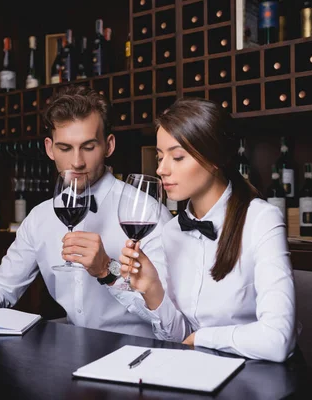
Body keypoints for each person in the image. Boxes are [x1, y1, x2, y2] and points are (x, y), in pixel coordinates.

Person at [0, 85, 172, 338]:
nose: (77, 162)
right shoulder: (41, 217)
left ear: (108, 146)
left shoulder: (147, 214)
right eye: (65, 148)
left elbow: (168, 320)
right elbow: (2, 287)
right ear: (49, 148)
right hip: (71, 354)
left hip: (136, 356)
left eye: (88, 147)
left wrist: (108, 270)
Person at [119, 98, 298, 362]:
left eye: (177, 157)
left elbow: (278, 340)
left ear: (214, 158)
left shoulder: (262, 219)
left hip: (260, 376)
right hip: (198, 371)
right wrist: (152, 288)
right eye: (159, 156)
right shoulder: (171, 232)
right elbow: (180, 338)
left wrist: (204, 338)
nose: (161, 169)